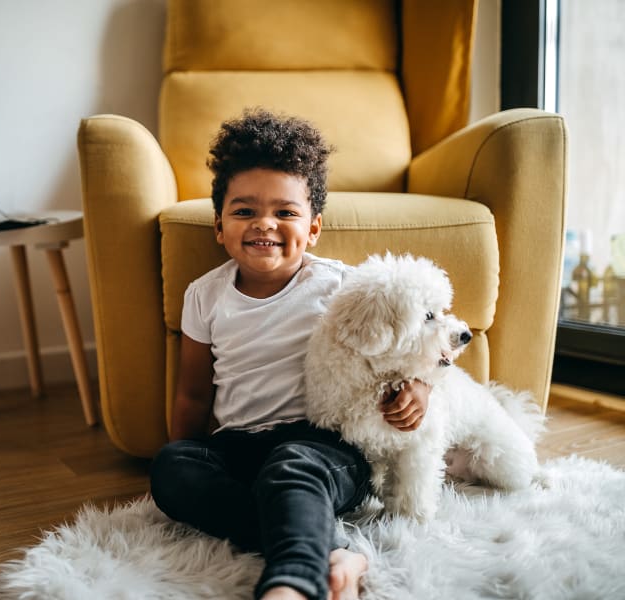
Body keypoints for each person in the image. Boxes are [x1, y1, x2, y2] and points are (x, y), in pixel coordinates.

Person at [150, 108, 431, 600]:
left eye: (285, 212)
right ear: (219, 225)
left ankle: (293, 583)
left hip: (323, 448)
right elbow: (194, 395)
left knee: (291, 467)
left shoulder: (342, 287)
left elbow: (420, 345)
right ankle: (336, 549)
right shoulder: (204, 295)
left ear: (314, 227)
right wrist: (190, 459)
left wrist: (420, 389)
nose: (265, 224)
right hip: (239, 446)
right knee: (171, 469)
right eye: (244, 211)